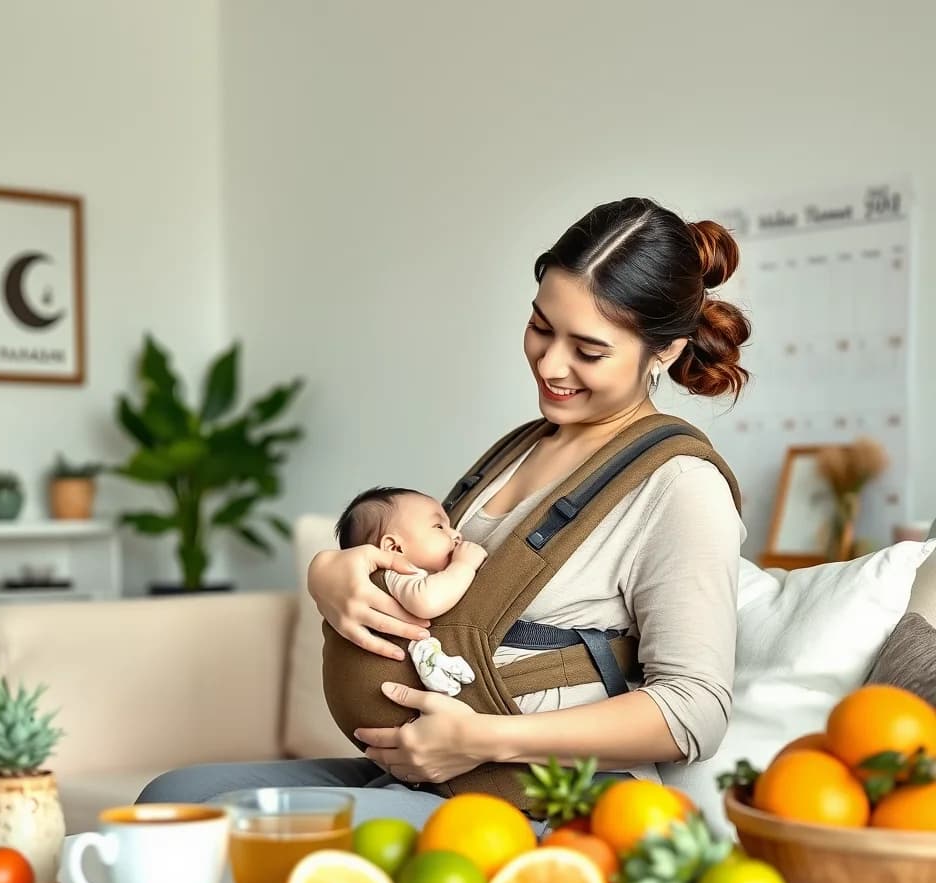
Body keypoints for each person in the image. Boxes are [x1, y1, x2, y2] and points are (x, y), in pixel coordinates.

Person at [137, 196, 751, 834]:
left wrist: (484, 740)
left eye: (588, 351)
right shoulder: (521, 449)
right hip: (431, 774)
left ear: (667, 350)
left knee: (219, 828)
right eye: (541, 326)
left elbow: (693, 711)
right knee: (172, 796)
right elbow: (426, 578)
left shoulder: (681, 487)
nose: (549, 364)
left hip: (532, 798)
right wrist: (331, 573)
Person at [336, 485, 489, 695]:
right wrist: (463, 565)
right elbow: (427, 602)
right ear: (395, 548)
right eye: (439, 527)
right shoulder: (395, 573)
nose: (456, 534)